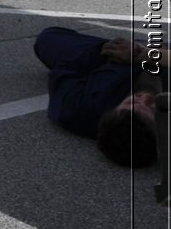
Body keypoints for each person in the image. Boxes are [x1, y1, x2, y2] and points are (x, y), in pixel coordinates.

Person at [34, 27, 160, 167]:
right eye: (151, 106)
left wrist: (105, 51)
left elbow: (65, 71)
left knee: (47, 39)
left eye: (132, 101)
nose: (146, 97)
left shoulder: (79, 109)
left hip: (111, 63)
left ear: (112, 109)